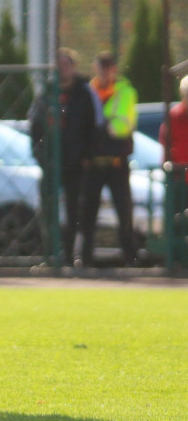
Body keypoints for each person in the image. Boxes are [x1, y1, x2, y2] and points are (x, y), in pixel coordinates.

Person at [28, 48, 97, 266]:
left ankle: (70, 255)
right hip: (50, 162)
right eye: (59, 64)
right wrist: (40, 155)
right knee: (48, 210)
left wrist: (86, 155)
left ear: (73, 67)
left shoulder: (84, 93)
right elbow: (35, 126)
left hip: (75, 163)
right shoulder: (46, 93)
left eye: (66, 64)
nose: (62, 68)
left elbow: (94, 127)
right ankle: (50, 255)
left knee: (74, 211)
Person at [80, 51, 138, 267]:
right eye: (101, 66)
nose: (105, 71)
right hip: (94, 163)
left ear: (114, 68)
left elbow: (124, 126)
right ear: (96, 68)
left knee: (124, 210)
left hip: (116, 162)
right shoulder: (88, 91)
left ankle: (129, 256)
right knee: (88, 212)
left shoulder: (125, 91)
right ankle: (85, 257)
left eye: (108, 67)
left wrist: (107, 127)